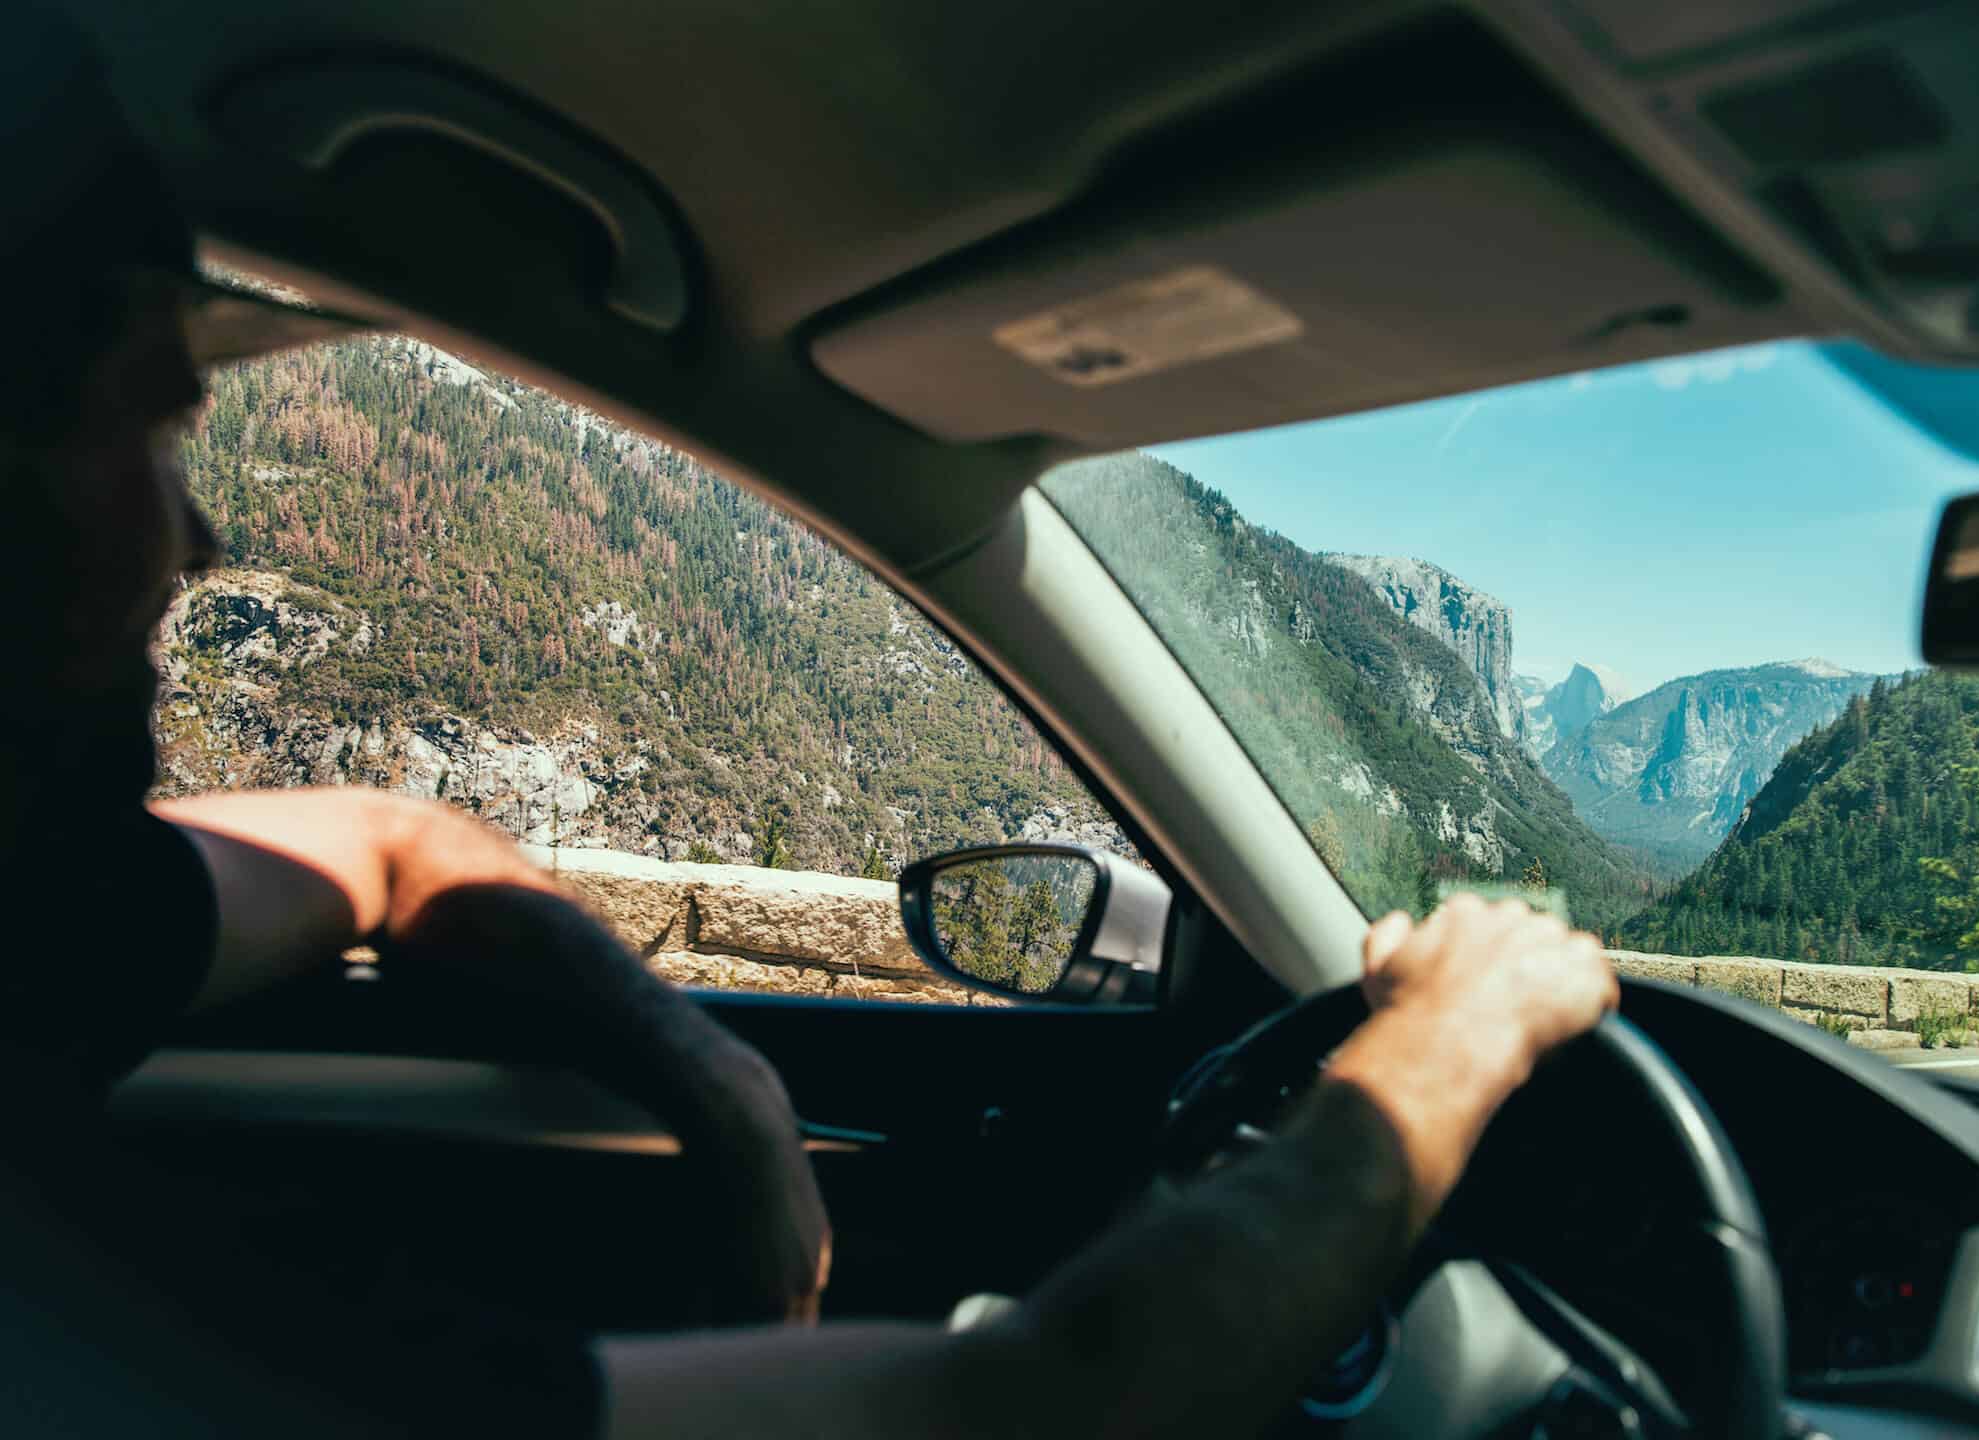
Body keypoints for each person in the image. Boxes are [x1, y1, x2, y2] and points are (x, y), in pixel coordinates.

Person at [0, 14, 1618, 1438]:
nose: (196, 539)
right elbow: (1047, 1404)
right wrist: (1459, 1027)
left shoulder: (52, 923)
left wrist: (724, 1081)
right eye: (150, 423)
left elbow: (394, 839)